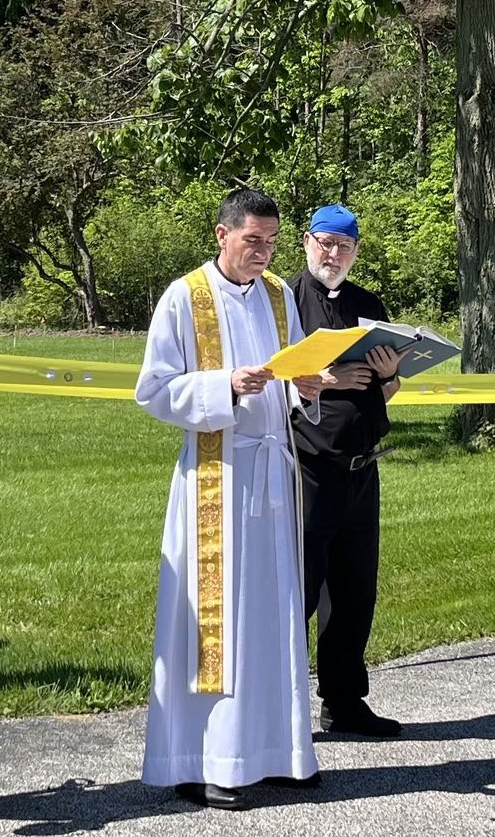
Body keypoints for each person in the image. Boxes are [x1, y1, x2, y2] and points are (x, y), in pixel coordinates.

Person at [137, 188, 332, 812]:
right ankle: (206, 759)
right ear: (221, 235)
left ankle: (278, 752)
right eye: (254, 240)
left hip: (272, 473)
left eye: (272, 242)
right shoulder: (184, 297)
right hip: (215, 478)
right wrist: (225, 384)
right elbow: (154, 389)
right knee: (214, 625)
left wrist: (306, 383)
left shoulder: (279, 296)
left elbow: (295, 368)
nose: (264, 252)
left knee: (274, 613)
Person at [289, 204, 405, 738]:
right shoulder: (284, 301)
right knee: (299, 591)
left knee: (355, 591)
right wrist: (326, 379)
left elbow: (387, 391)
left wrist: (388, 376)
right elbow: (270, 378)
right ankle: (282, 708)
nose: (332, 255)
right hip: (307, 464)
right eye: (324, 243)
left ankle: (343, 702)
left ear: (356, 252)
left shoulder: (367, 305)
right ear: (306, 242)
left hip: (363, 467)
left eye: (344, 246)